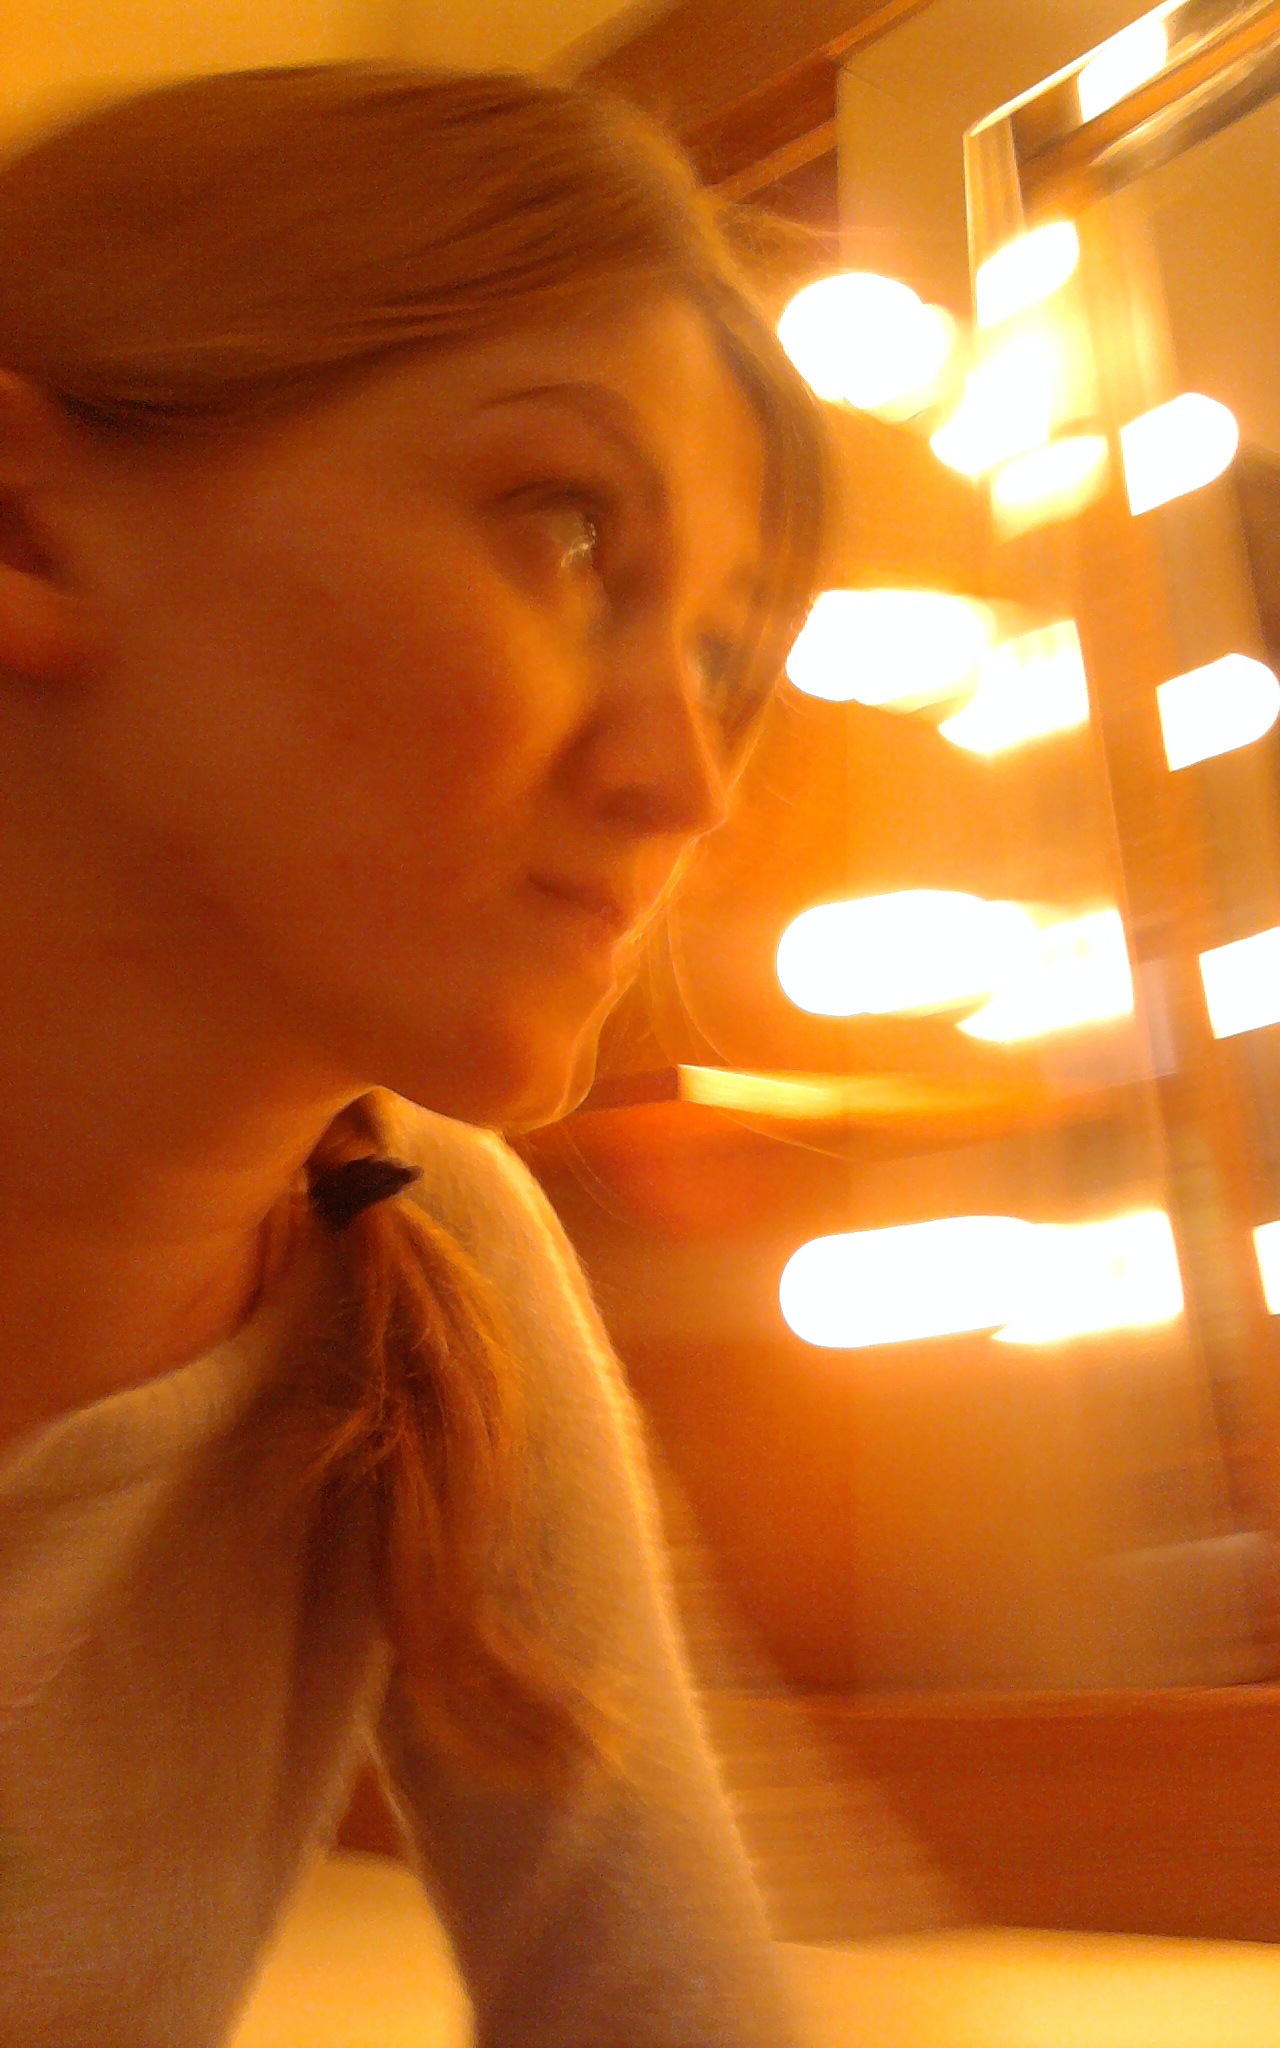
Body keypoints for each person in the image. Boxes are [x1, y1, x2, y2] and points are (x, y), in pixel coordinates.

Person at [0, 62, 827, 2044]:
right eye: (568, 527)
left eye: (722, 656)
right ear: (27, 526)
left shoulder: (429, 1240)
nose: (689, 781)